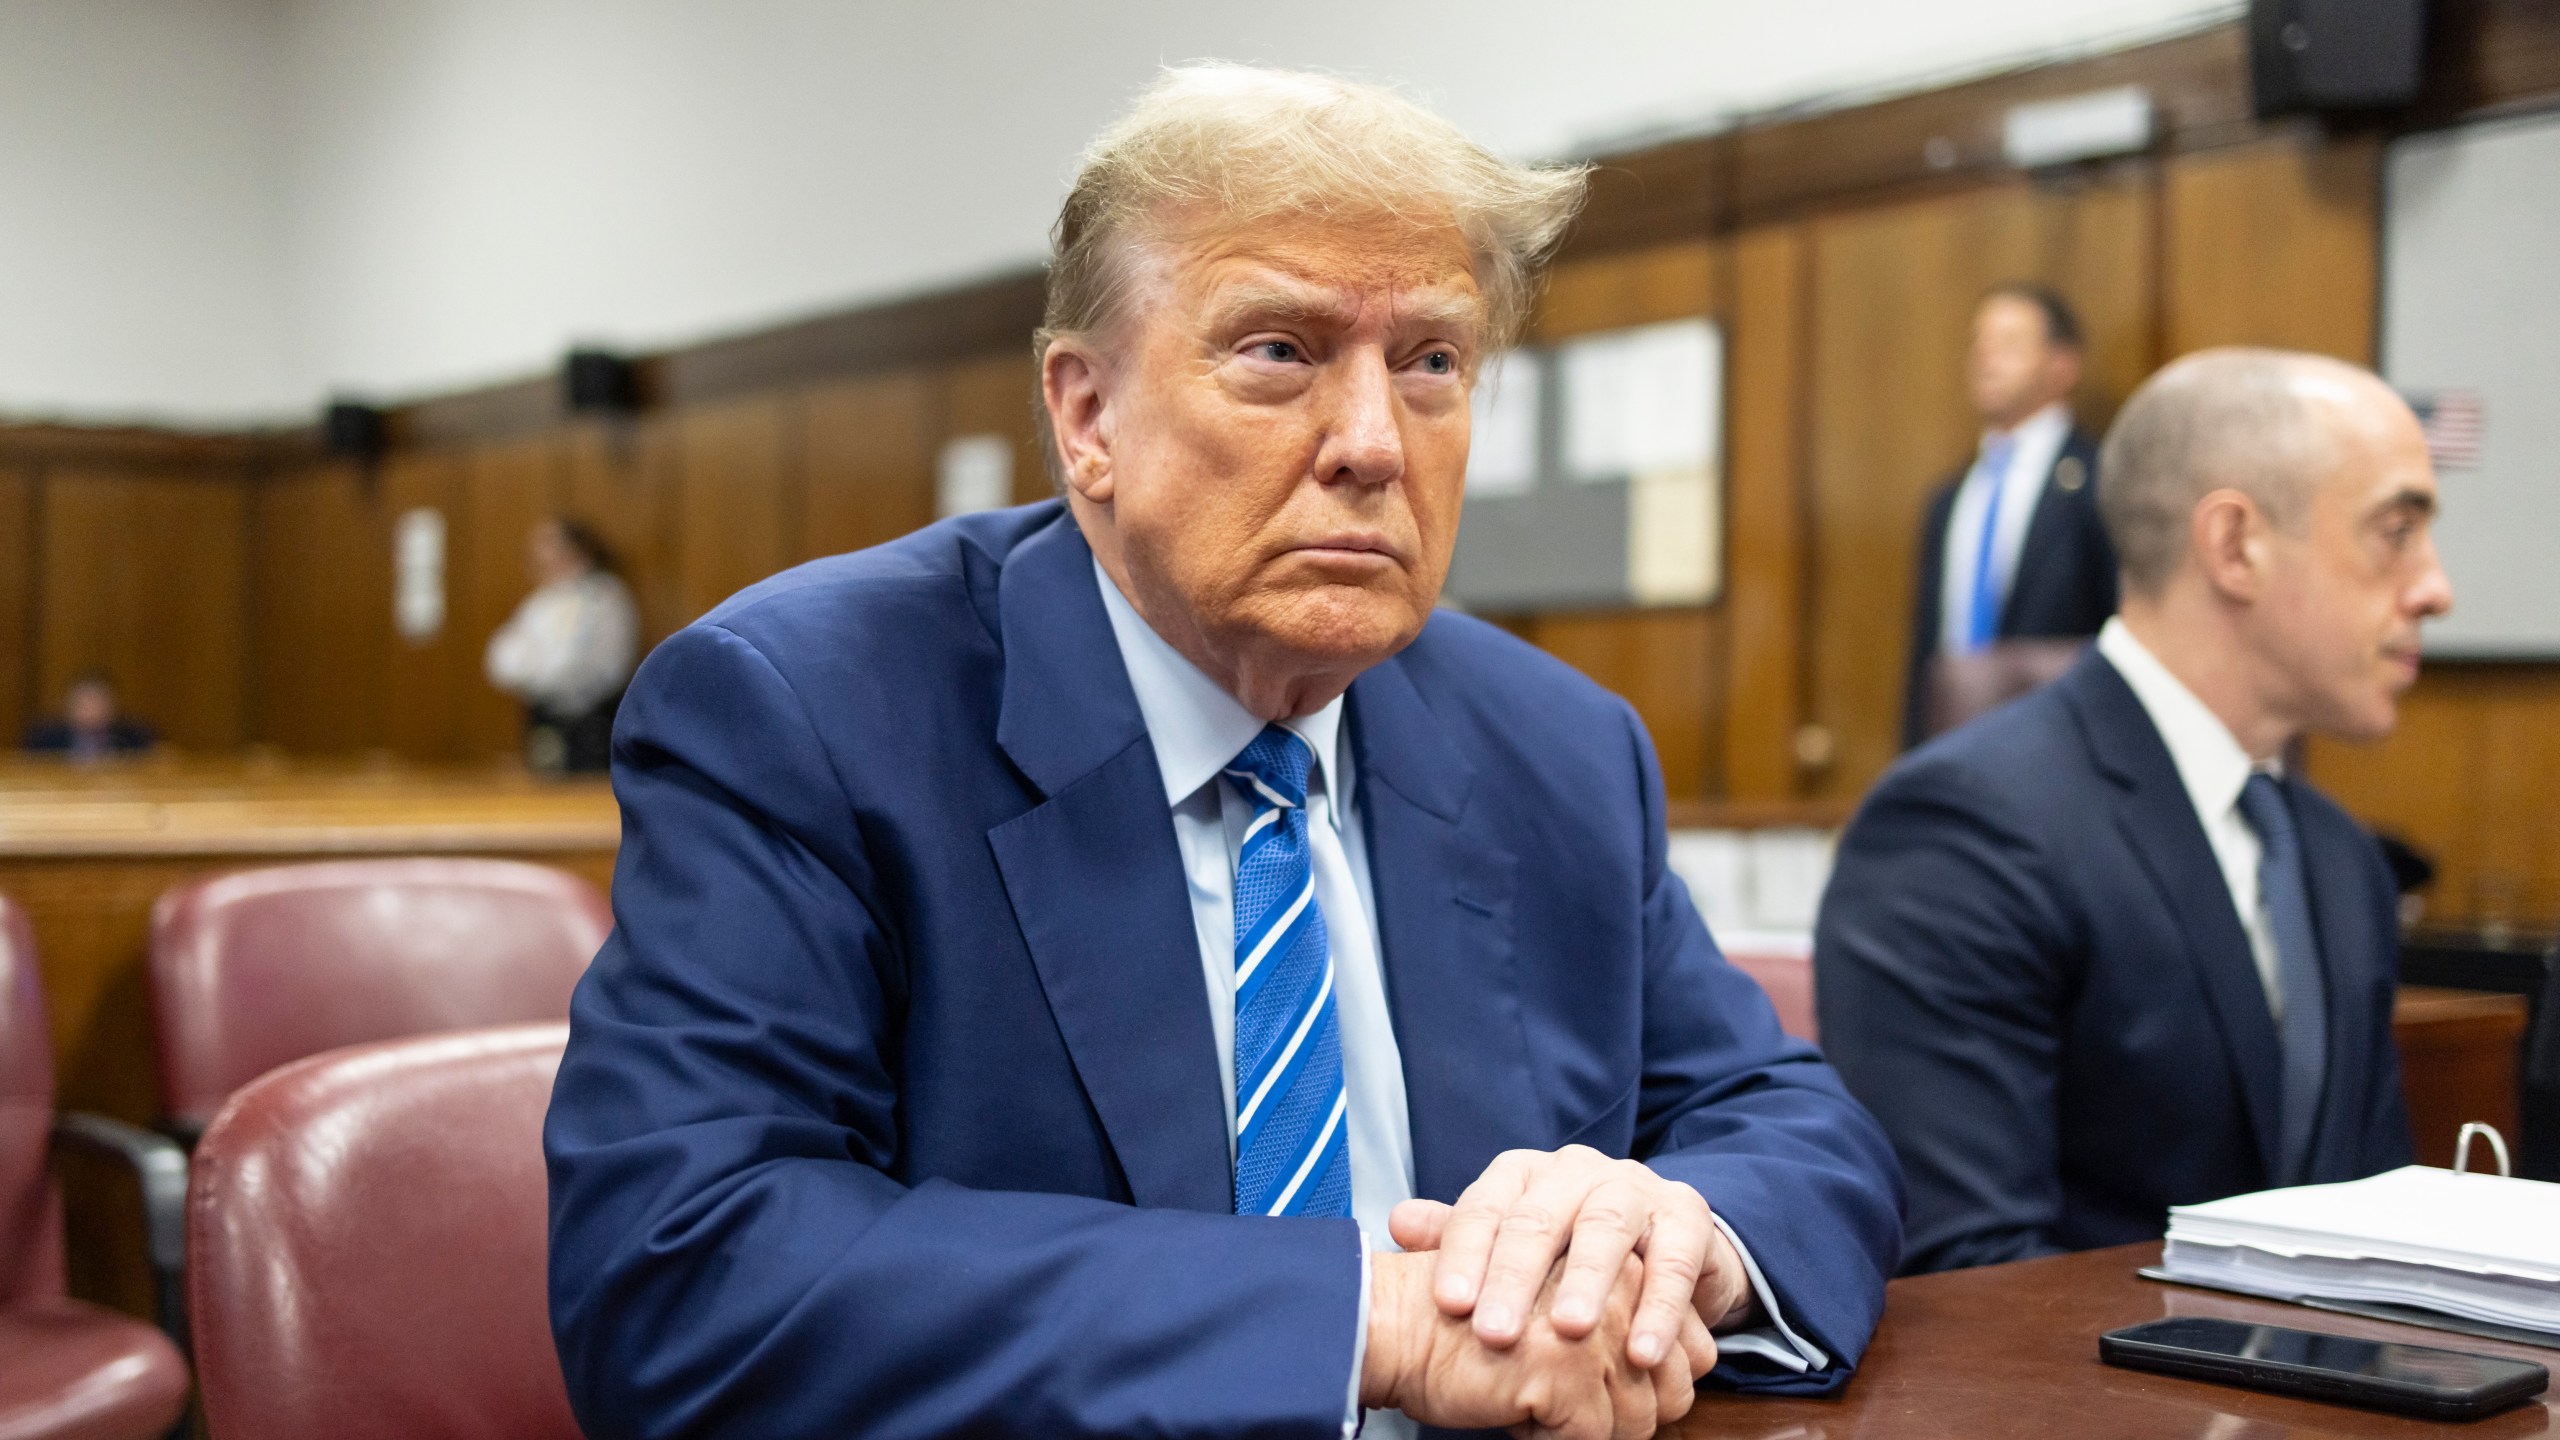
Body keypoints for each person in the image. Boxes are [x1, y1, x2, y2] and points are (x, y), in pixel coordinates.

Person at [546, 65, 1901, 1440]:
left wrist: (1681, 1241)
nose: (1375, 443)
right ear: (1087, 418)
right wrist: (1362, 1318)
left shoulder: (1552, 743)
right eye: (1279, 352)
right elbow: (690, 1272)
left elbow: (1789, 1125)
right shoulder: (809, 713)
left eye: (1432, 362)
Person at [1818, 348, 2453, 1274]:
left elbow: (2371, 1232)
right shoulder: (1963, 833)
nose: (2436, 587)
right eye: (2395, 531)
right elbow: (1975, 1279)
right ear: (2236, 546)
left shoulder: (2337, 860)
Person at [1901, 284, 2118, 747]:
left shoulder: (2099, 482)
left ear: (2063, 366)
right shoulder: (1950, 497)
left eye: (2010, 345)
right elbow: (1926, 652)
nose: (1986, 358)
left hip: (2060, 750)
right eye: (1979, 344)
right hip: (1952, 750)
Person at [483, 518, 638, 773]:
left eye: (548, 545)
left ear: (575, 551)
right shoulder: (541, 602)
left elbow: (570, 667)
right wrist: (533, 666)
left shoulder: (602, 597)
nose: (539, 556)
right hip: (543, 720)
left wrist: (533, 666)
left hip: (589, 726)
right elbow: (500, 659)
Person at [21, 671, 155, 760]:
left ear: (113, 706)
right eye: (84, 702)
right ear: (69, 705)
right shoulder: (45, 736)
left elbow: (159, 762)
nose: (91, 710)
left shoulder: (134, 734)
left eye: (98, 702)